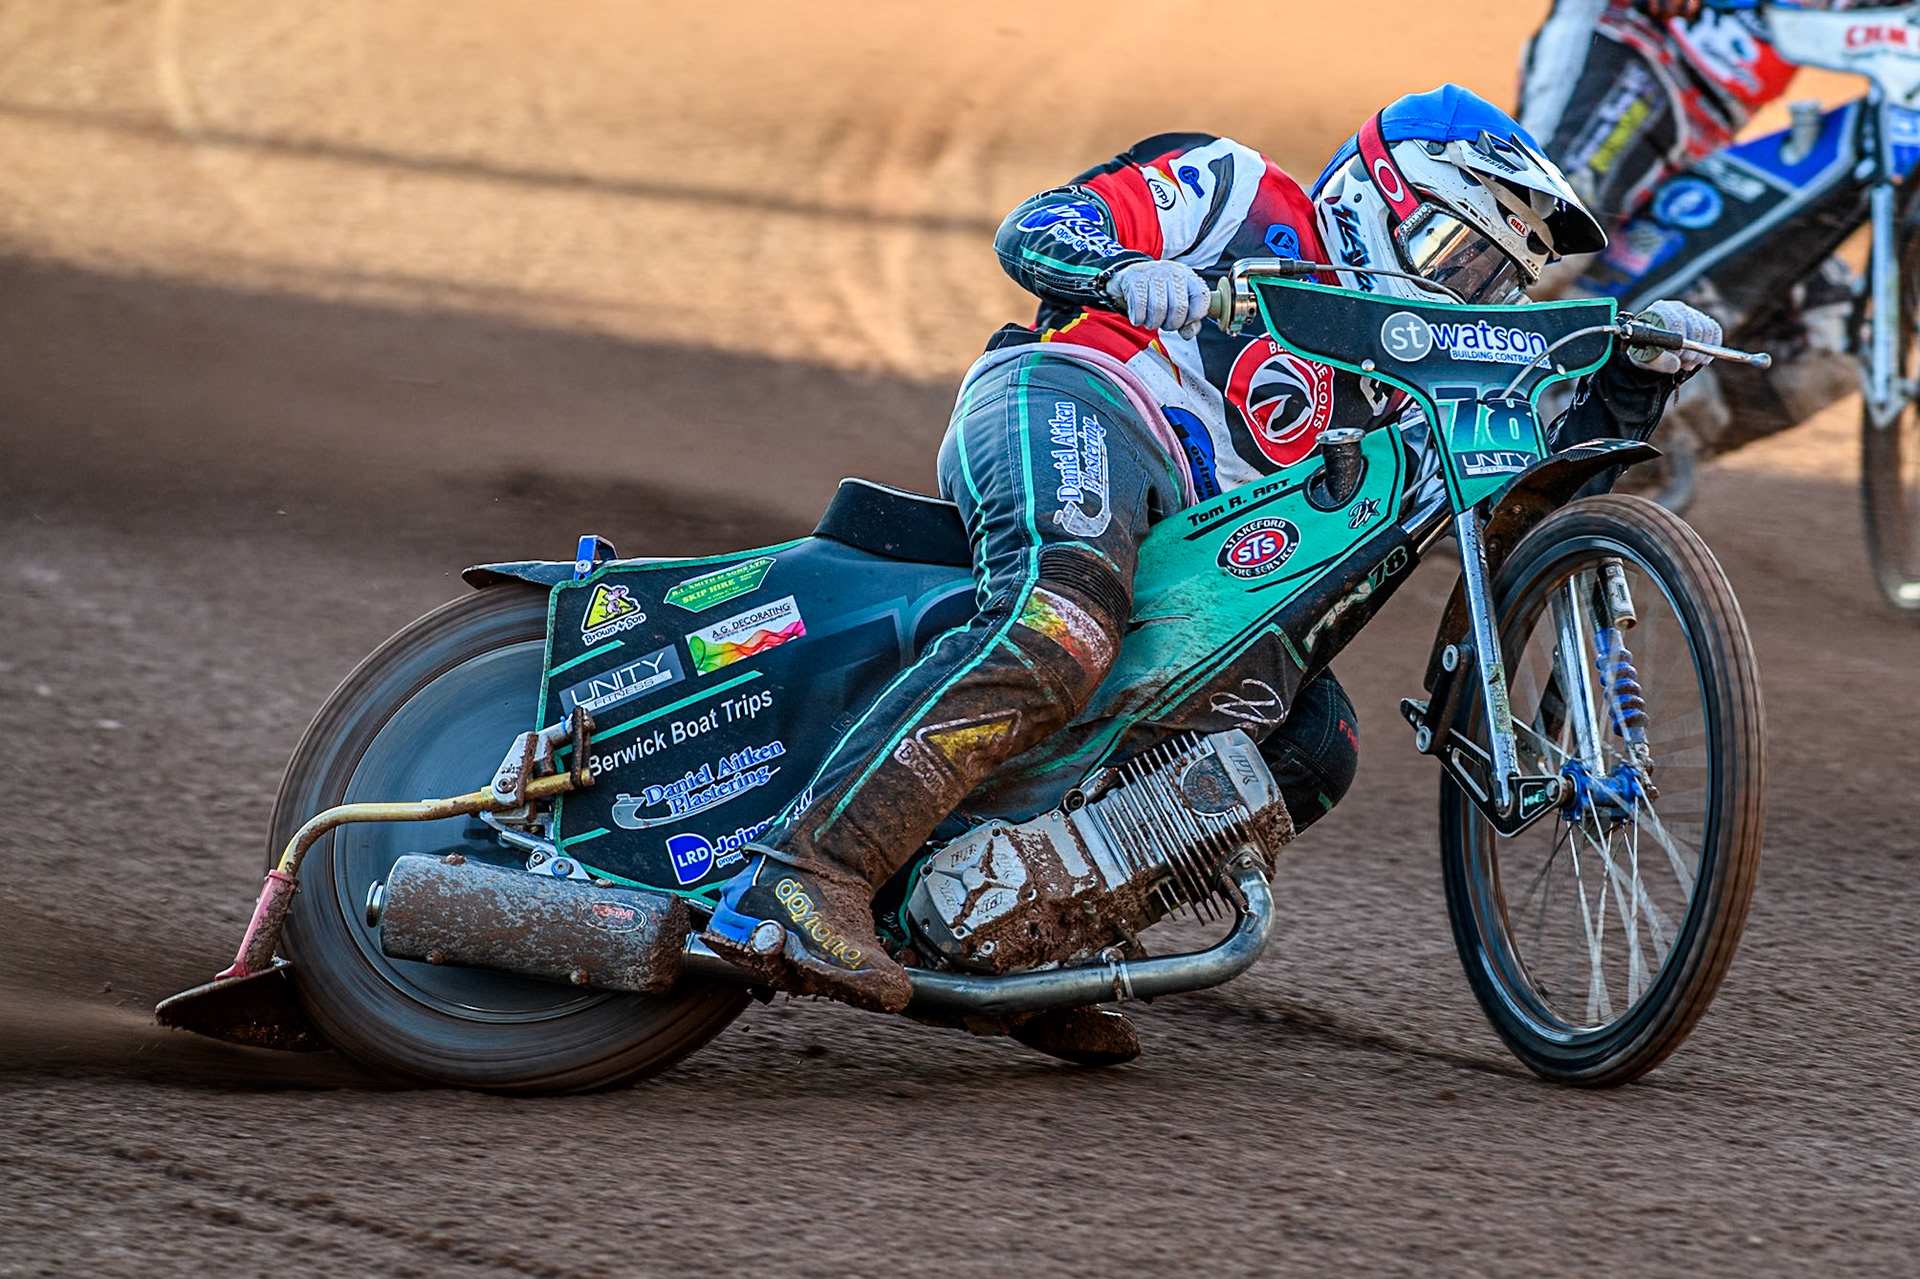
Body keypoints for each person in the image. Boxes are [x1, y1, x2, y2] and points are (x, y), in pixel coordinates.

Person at [700, 85, 1722, 1060]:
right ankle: (804, 872)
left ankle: (1022, 932)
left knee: (1314, 741)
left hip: (1195, 566)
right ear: (1375, 193)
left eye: (1492, 279)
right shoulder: (1241, 188)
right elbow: (1040, 223)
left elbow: (1519, 523)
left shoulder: (1414, 396)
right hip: (1078, 396)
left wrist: (1632, 385)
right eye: (1452, 249)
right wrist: (1118, 269)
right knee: (1062, 621)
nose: (1462, 292)